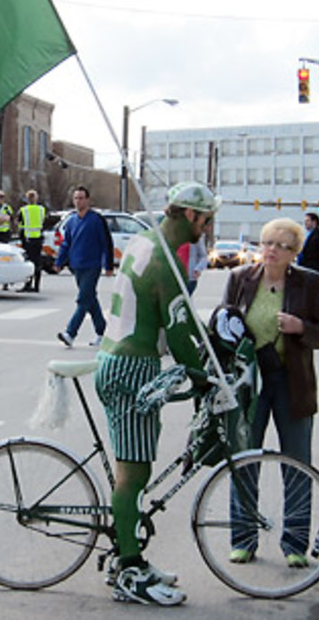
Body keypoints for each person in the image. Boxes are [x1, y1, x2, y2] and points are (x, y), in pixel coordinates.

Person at [94, 181, 219, 606]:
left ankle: (132, 555)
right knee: (131, 475)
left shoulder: (143, 240)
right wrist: (205, 377)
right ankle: (128, 569)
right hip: (131, 367)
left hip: (120, 359)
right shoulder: (167, 264)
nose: (207, 225)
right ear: (188, 215)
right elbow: (180, 336)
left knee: (140, 471)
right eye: (205, 218)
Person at [220, 217, 319, 567]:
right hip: (249, 385)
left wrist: (301, 327)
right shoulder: (240, 279)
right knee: (245, 461)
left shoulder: (310, 283)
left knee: (297, 463)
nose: (271, 250)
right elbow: (224, 322)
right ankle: (243, 539)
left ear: (294, 253)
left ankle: (295, 544)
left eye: (281, 246)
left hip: (292, 381)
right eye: (267, 243)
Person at [55, 186, 114, 348]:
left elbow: (106, 242)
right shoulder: (72, 220)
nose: (78, 201)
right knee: (90, 300)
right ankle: (103, 333)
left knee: (83, 300)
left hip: (92, 265)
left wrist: (108, 265)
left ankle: (70, 333)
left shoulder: (96, 220)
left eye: (81, 198)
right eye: (76, 198)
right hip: (76, 265)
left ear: (88, 200)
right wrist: (59, 262)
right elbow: (66, 243)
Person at [18, 189, 47, 292]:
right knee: (37, 262)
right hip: (38, 238)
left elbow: (20, 223)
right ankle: (37, 285)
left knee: (29, 262)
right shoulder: (41, 209)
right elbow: (44, 222)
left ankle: (28, 284)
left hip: (28, 239)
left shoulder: (24, 210)